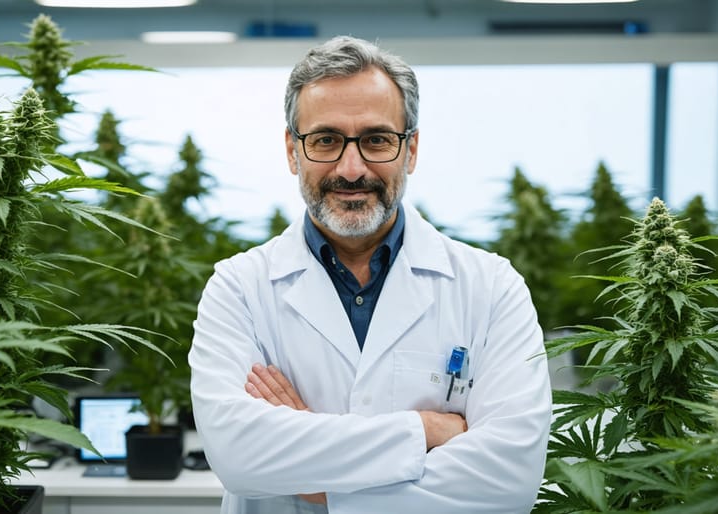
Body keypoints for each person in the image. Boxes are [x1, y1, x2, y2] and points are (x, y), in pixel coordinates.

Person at [188, 35, 552, 514]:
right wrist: (427, 431)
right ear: (293, 151)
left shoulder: (491, 287)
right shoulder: (238, 289)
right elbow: (239, 458)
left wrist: (320, 487)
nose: (352, 168)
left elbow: (508, 482)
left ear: (412, 149)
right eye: (326, 140)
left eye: (377, 139)